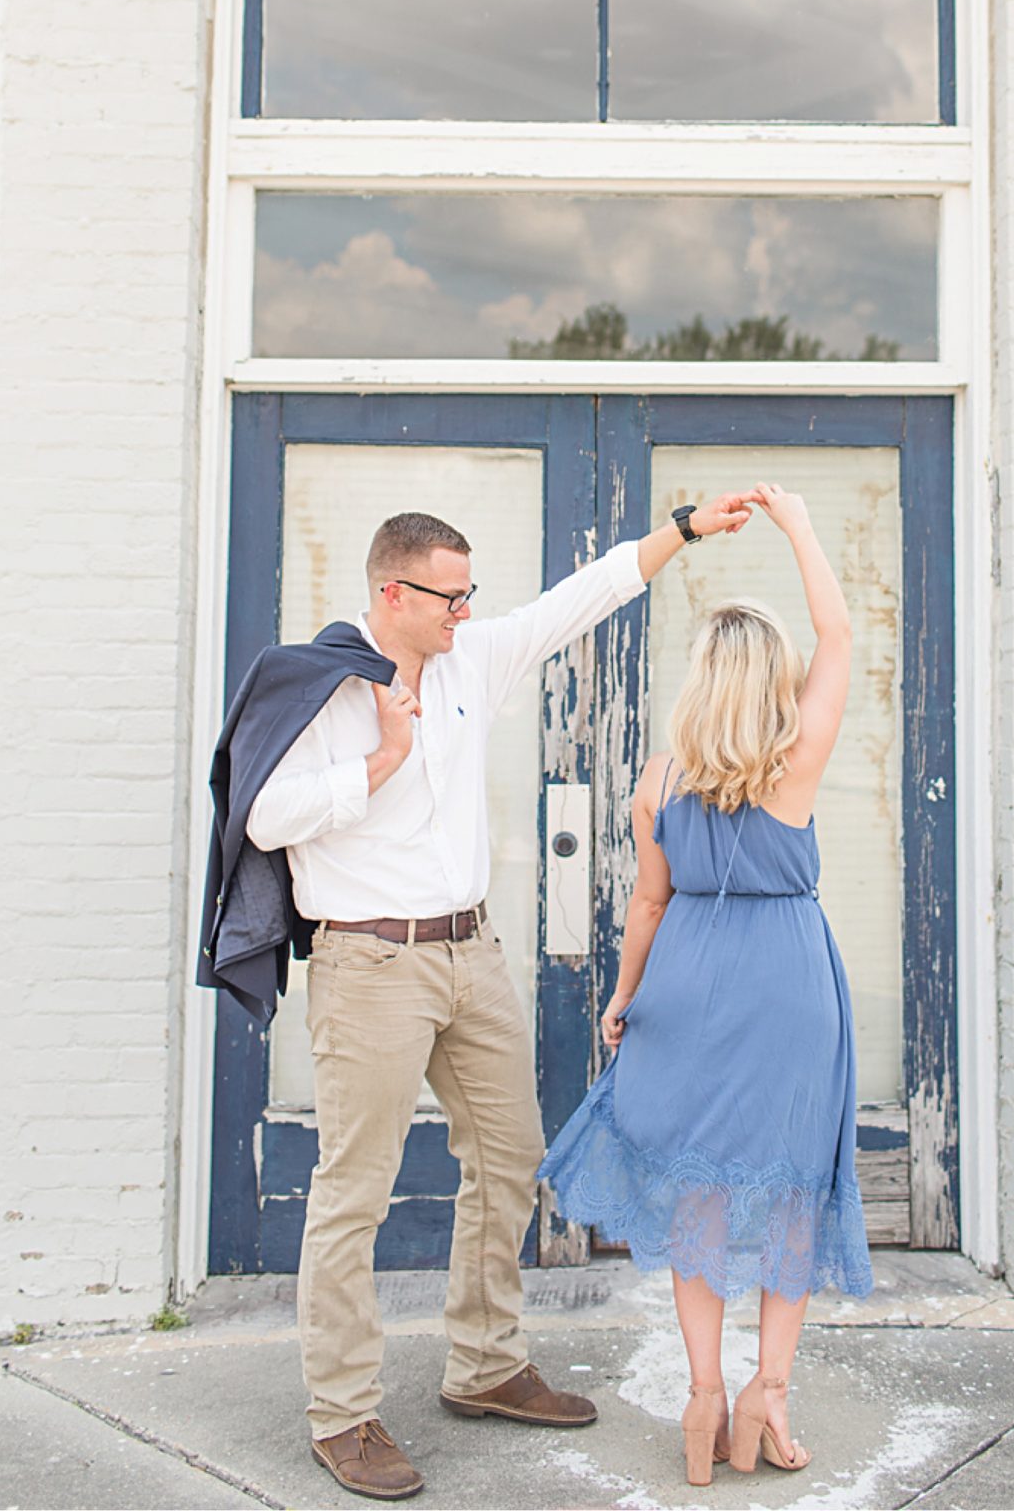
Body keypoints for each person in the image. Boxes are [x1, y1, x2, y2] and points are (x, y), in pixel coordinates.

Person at [243, 494, 755, 1501]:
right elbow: (263, 815)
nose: (464, 612)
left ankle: (484, 1363)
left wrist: (684, 529)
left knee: (511, 1154)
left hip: (469, 953)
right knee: (356, 1190)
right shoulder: (316, 686)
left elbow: (584, 594)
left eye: (471, 593)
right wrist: (377, 759)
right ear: (391, 590)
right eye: (447, 595)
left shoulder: (473, 658)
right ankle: (342, 1412)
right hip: (369, 964)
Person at [537, 481, 875, 1488]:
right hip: (787, 985)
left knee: (698, 1188)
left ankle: (700, 1391)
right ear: (771, 678)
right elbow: (839, 629)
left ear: (699, 680)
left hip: (685, 977)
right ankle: (768, 1388)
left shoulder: (658, 778)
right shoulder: (796, 758)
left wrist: (624, 995)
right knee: (790, 1183)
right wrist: (801, 524)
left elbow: (644, 904)